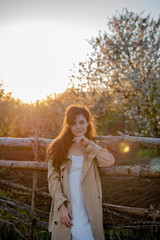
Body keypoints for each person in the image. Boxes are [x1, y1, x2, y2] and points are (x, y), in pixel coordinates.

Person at [47, 105, 115, 240]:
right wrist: (61, 207)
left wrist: (89, 144)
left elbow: (109, 161)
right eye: (73, 123)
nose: (78, 127)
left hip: (88, 208)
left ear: (88, 123)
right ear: (68, 125)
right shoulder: (58, 147)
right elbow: (52, 179)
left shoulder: (93, 146)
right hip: (68, 208)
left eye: (82, 122)